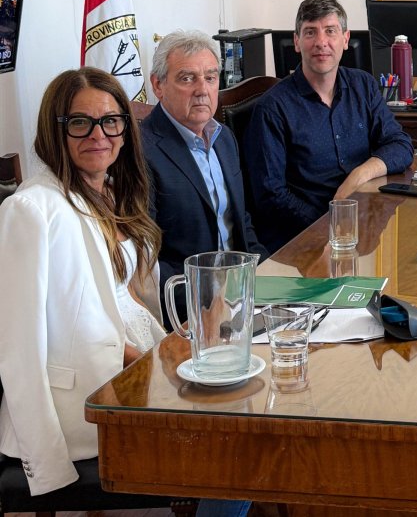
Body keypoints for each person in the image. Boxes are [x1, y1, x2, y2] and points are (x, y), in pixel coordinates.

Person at [0, 69, 251, 515]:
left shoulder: (110, 192)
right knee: (237, 446)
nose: (99, 135)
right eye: (80, 123)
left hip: (136, 372)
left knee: (252, 405)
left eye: (111, 121)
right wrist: (46, 461)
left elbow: (124, 299)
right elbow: (18, 351)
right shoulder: (31, 209)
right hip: (84, 405)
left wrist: (181, 343)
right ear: (55, 130)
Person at [244, 0, 414, 253]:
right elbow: (271, 196)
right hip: (301, 242)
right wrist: (332, 224)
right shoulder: (272, 108)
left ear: (345, 39)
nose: (321, 42)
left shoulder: (363, 86)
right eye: (310, 32)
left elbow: (400, 145)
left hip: (359, 230)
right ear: (297, 42)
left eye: (330, 31)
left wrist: (360, 174)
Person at [142, 30, 268, 328]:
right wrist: (206, 304)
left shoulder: (224, 138)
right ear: (158, 85)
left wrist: (269, 273)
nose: (202, 90)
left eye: (210, 78)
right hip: (190, 313)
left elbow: (241, 223)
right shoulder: (141, 151)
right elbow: (145, 261)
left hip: (245, 295)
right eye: (187, 79)